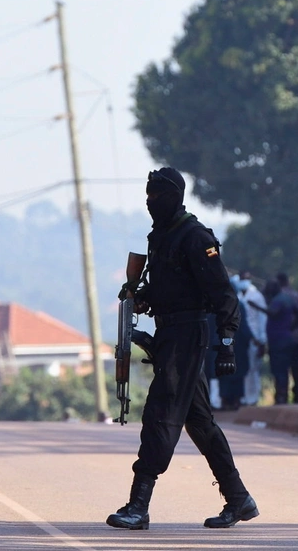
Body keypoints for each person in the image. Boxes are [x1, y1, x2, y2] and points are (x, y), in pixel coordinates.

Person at [107, 167, 258, 530]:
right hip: (170, 335)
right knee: (200, 423)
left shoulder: (194, 237)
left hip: (189, 338)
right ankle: (238, 499)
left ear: (174, 196)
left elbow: (223, 294)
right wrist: (141, 297)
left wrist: (226, 343)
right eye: (147, 196)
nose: (150, 202)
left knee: (160, 414)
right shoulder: (161, 237)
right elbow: (169, 288)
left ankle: (138, 506)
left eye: (156, 195)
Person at [250, 279, 298, 405]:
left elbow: (273, 313)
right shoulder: (288, 298)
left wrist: (257, 307)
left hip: (278, 341)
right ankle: (293, 395)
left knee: (279, 370)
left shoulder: (278, 301)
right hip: (288, 339)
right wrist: (292, 326)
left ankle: (281, 397)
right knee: (290, 369)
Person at [219, 276, 251, 411]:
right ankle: (236, 400)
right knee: (237, 371)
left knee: (224, 371)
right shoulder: (240, 305)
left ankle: (226, 400)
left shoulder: (219, 304)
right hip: (237, 344)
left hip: (223, 342)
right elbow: (243, 326)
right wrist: (249, 339)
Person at [239, 271, 267, 406]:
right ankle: (244, 396)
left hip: (255, 337)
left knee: (253, 369)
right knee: (243, 367)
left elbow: (262, 319)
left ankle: (253, 397)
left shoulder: (256, 296)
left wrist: (262, 340)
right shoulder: (238, 295)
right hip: (241, 338)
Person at [276, 272, 298, 404]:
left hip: (282, 337)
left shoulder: (278, 297)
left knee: (282, 368)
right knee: (296, 368)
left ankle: (283, 396)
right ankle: (297, 394)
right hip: (296, 337)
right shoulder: (297, 295)